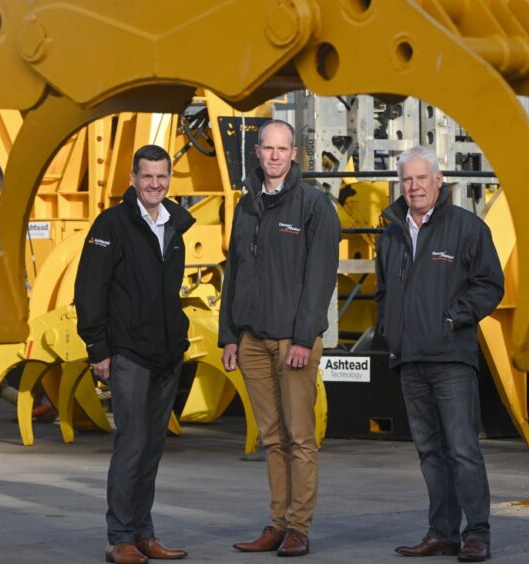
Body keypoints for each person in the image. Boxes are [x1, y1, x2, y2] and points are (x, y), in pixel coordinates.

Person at [375, 146, 504, 562]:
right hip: (409, 358)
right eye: (407, 180)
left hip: (450, 358)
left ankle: (477, 533)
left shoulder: (467, 228)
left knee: (463, 449)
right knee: (429, 452)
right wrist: (389, 329)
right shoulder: (391, 231)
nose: (414, 187)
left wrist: (453, 318)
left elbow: (489, 285)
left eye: (421, 178)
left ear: (439, 181)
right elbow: (384, 290)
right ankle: (442, 532)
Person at [219, 119, 340, 557]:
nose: (274, 155)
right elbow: (233, 273)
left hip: (294, 343)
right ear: (256, 152)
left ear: (294, 154)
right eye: (267, 148)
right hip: (251, 341)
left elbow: (320, 278)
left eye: (282, 148)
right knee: (272, 438)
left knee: (301, 438)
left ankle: (299, 528)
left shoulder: (313, 206)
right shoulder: (246, 207)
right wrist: (229, 335)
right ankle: (276, 523)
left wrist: (305, 339)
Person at [75, 144, 194, 564]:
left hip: (165, 353)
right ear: (133, 178)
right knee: (131, 443)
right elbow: (90, 290)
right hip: (127, 353)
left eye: (162, 176)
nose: (155, 184)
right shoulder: (112, 224)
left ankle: (145, 534)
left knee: (152, 447)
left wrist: (178, 339)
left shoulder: (174, 225)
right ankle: (120, 537)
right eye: (147, 176)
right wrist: (98, 348)